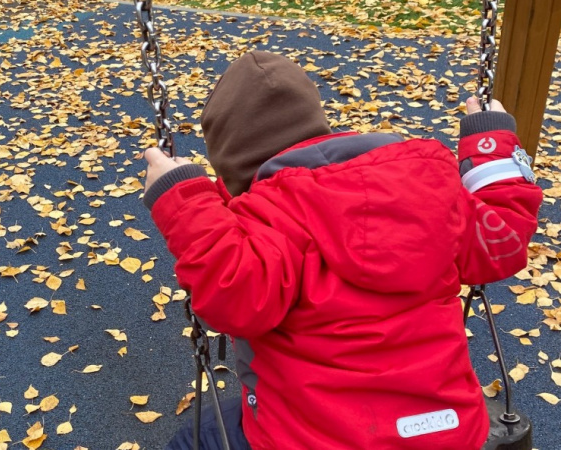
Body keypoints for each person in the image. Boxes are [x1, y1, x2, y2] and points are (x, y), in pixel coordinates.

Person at [142, 50, 543, 449]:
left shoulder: (267, 220)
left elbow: (234, 295)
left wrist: (184, 200)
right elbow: (503, 239)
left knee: (200, 436)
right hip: (448, 431)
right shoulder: (432, 190)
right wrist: (490, 144)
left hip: (318, 441)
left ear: (235, 171)